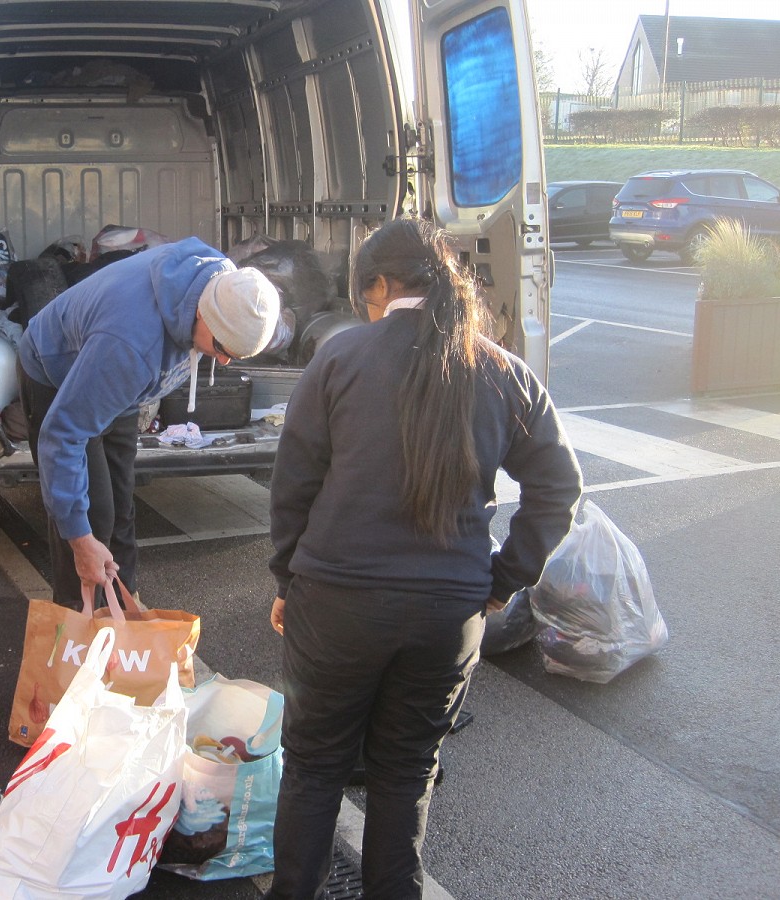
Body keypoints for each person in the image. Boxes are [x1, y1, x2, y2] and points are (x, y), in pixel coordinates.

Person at [265, 218, 583, 899]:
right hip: (448, 611)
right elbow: (559, 487)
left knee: (315, 767)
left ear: (380, 285)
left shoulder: (339, 359)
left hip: (337, 601)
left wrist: (287, 575)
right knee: (406, 771)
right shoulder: (501, 370)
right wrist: (503, 580)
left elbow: (293, 484)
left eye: (365, 295)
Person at [17, 237, 280, 609]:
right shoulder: (130, 344)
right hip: (57, 371)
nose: (223, 362)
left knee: (121, 507)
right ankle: (77, 619)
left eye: (234, 355)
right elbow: (62, 435)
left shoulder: (225, 284)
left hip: (121, 386)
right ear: (203, 313)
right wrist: (79, 540)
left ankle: (125, 612)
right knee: (91, 516)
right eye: (221, 348)